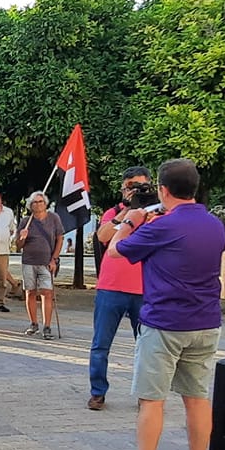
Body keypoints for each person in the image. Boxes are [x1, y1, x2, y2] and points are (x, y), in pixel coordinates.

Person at [102, 159, 225, 450]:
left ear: (162, 190)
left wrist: (132, 219)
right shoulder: (215, 225)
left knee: (152, 400)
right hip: (205, 323)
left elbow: (114, 250)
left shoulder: (160, 227)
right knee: (197, 397)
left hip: (164, 323)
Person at [87, 168, 152, 411]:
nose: (135, 190)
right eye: (130, 186)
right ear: (123, 189)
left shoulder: (155, 214)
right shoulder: (113, 213)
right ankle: (97, 392)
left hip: (145, 289)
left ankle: (146, 393)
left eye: (140, 186)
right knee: (101, 344)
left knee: (146, 345)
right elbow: (102, 236)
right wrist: (126, 212)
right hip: (111, 287)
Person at [16, 191, 64, 340]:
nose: (38, 204)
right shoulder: (26, 221)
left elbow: (60, 239)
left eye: (41, 201)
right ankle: (33, 323)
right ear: (31, 205)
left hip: (46, 262)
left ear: (46, 203)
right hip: (29, 261)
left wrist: (54, 259)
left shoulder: (54, 218)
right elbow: (18, 245)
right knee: (30, 292)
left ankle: (47, 326)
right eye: (35, 202)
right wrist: (22, 237)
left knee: (47, 293)